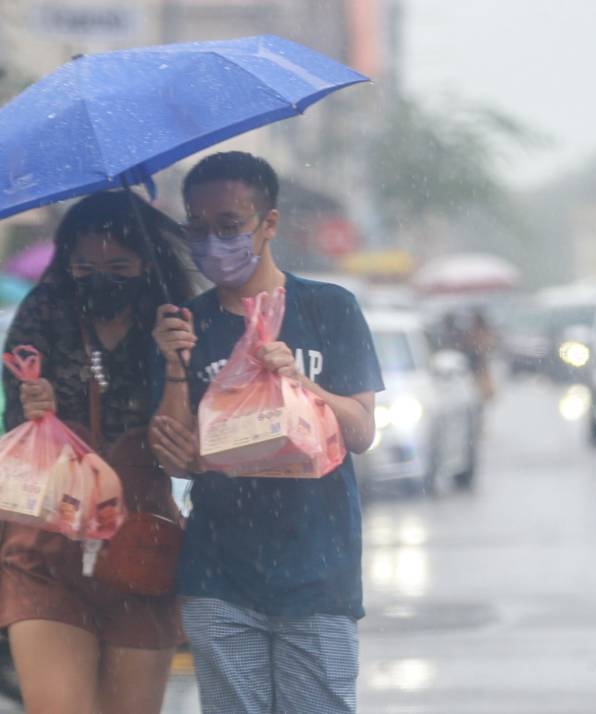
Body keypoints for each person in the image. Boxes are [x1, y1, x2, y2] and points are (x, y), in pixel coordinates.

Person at [150, 151, 384, 714]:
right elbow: (178, 457)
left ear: (269, 223)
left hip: (317, 571)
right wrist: (175, 365)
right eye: (198, 229)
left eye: (230, 226)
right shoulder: (185, 323)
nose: (213, 242)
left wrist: (302, 386)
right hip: (219, 575)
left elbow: (360, 432)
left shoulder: (330, 309)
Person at [0, 190, 194, 714]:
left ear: (146, 262)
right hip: (49, 545)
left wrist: (175, 363)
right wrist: (37, 410)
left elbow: (179, 449)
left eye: (118, 264)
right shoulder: (43, 312)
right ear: (67, 261)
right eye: (86, 265)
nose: (101, 276)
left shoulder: (172, 319)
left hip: (140, 549)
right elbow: (16, 426)